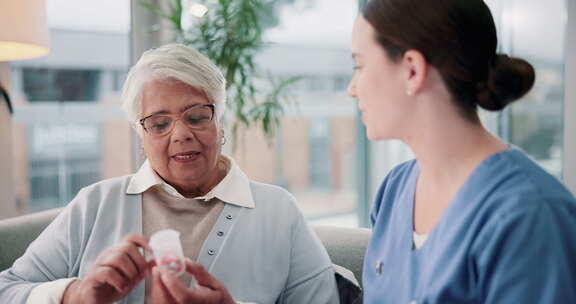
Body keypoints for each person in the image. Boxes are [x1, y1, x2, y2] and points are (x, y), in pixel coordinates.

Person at [0, 44, 339, 304]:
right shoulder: (96, 204)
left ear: (220, 124)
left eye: (196, 117)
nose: (180, 135)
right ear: (141, 135)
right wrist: (75, 294)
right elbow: (8, 289)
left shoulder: (278, 211)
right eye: (160, 124)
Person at [347, 0, 576, 303]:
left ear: (412, 70)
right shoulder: (394, 190)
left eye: (360, 66)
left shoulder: (531, 214)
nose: (352, 88)